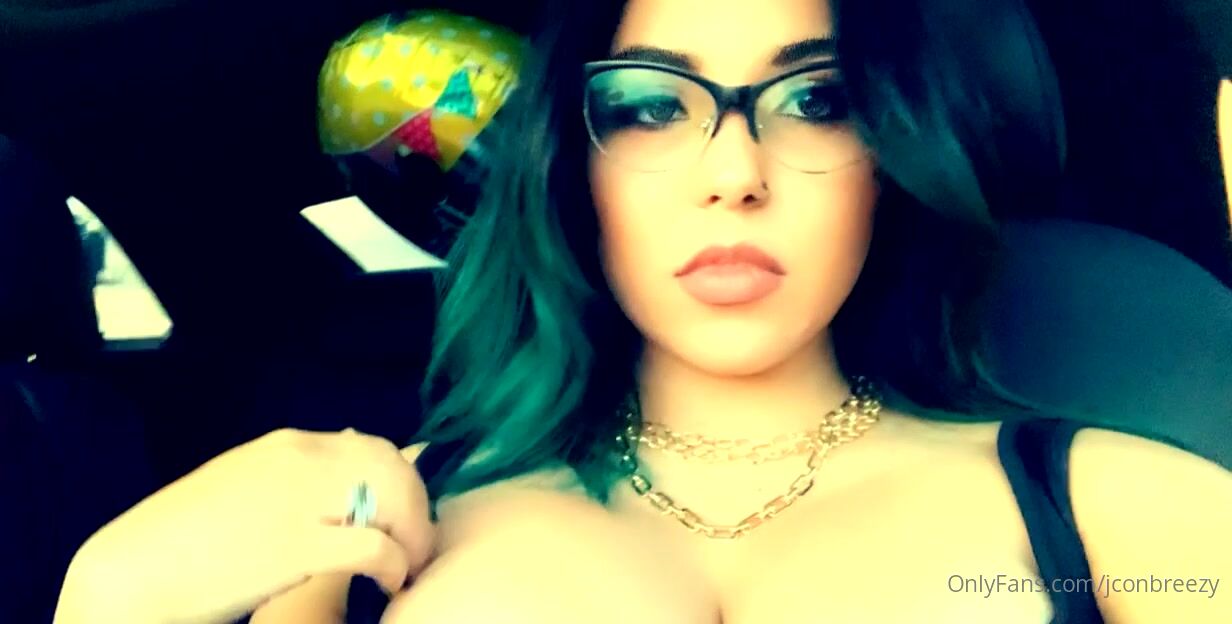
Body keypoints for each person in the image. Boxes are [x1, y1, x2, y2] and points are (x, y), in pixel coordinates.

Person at [55, 0, 1231, 623]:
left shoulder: (1107, 504)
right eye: (647, 106)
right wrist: (109, 603)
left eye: (813, 99)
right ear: (574, 165)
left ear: (884, 155)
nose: (733, 173)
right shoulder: (357, 524)